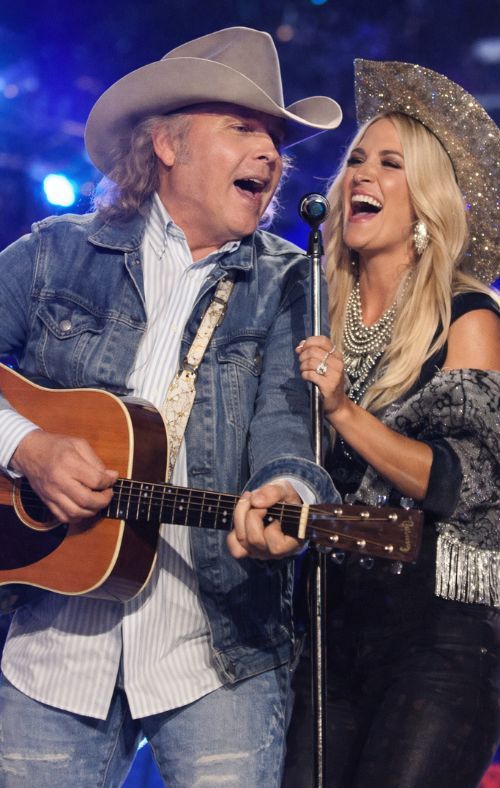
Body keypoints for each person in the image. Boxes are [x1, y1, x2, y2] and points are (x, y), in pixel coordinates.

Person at [0, 27, 343, 787]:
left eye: (275, 139)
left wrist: (288, 493)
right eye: (243, 127)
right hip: (53, 648)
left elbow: (289, 431)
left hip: (215, 652)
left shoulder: (290, 282)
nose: (269, 153)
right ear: (166, 145)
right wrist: (26, 446)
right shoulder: (57, 252)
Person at [280, 60, 500, 787]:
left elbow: (463, 482)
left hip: (437, 639)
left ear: (426, 200)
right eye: (356, 160)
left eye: (390, 164)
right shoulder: (308, 307)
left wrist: (343, 411)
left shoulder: (468, 318)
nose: (361, 176)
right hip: (322, 625)